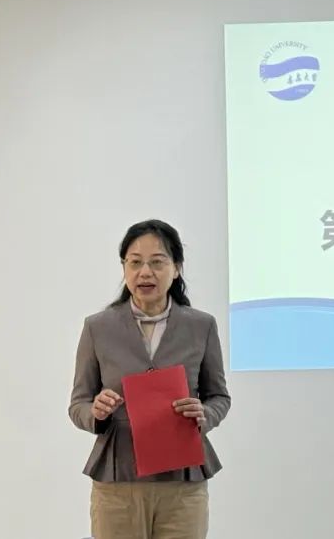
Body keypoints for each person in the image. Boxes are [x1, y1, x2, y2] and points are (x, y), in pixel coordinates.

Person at [69, 220, 231, 539]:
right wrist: (96, 412)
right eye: (135, 262)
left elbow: (219, 397)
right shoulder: (98, 327)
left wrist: (205, 413)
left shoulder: (201, 326)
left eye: (157, 262)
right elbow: (78, 404)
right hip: (118, 482)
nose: (145, 272)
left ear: (177, 268)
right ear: (124, 268)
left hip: (183, 484)